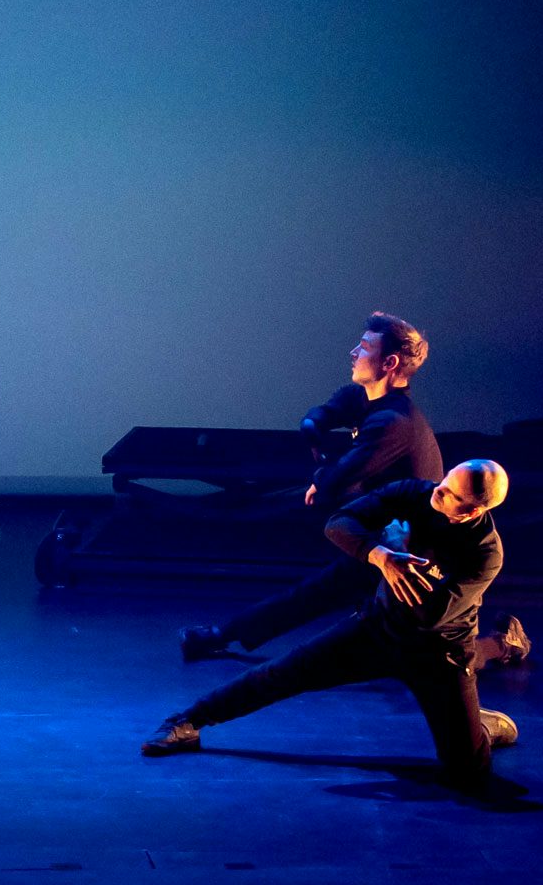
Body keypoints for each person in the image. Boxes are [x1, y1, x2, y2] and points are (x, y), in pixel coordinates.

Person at [143, 461, 518, 795]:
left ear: (470, 511)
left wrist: (404, 558)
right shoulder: (413, 493)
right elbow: (339, 522)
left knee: (467, 776)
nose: (439, 489)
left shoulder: (485, 553)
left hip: (440, 652)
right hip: (377, 629)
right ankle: (187, 721)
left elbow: (431, 616)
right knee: (282, 673)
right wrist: (380, 553)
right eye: (445, 479)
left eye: (450, 493)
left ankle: (482, 727)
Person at [176, 313, 487, 661]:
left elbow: (337, 479)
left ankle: (503, 642)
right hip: (383, 531)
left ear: (390, 363)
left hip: (410, 551)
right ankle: (226, 635)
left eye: (365, 347)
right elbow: (330, 410)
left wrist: (321, 476)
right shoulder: (367, 398)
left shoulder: (394, 423)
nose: (354, 352)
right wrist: (313, 427)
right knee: (364, 617)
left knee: (423, 646)